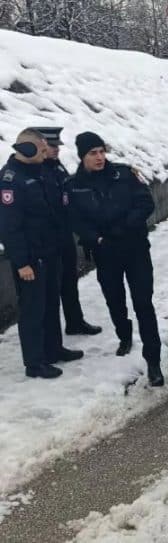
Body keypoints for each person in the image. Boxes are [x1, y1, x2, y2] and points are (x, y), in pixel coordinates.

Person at [65, 131, 164, 387]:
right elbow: (75, 220)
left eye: (101, 151)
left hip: (134, 248)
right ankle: (124, 335)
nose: (99, 157)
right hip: (105, 252)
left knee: (143, 304)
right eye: (93, 153)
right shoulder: (73, 186)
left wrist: (126, 226)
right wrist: (96, 239)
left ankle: (153, 361)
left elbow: (145, 203)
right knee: (115, 300)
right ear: (82, 156)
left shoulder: (124, 174)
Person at [0, 129, 84, 378]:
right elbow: (9, 227)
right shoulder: (11, 180)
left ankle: (53, 349)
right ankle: (34, 363)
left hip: (50, 252)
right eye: (43, 148)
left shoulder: (40, 172)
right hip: (30, 258)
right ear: (28, 149)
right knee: (33, 310)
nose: (47, 152)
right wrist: (22, 262)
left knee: (50, 303)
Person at [35, 127, 102, 336]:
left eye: (57, 146)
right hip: (48, 238)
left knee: (69, 281)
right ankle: (50, 337)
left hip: (64, 234)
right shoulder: (37, 170)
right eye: (52, 146)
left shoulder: (56, 166)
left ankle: (75, 321)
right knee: (51, 289)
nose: (56, 149)